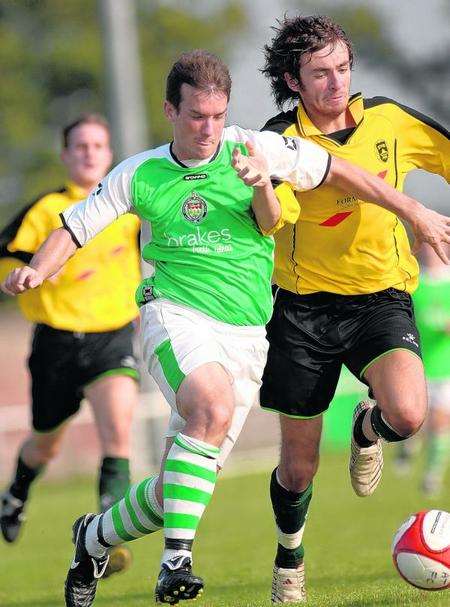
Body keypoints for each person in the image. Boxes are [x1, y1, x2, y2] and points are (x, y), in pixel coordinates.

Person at [1, 50, 449, 607]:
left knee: (176, 488)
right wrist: (37, 271)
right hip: (175, 314)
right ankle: (176, 562)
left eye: (217, 115)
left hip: (246, 335)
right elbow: (76, 225)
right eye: (196, 116)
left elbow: (338, 176)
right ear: (170, 109)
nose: (209, 128)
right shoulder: (139, 173)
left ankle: (92, 538)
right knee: (208, 408)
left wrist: (411, 210)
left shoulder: (256, 149)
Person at [259, 15, 450, 603]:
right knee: (299, 469)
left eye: (342, 68)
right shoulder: (277, 139)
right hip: (301, 311)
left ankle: (369, 427)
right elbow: (273, 218)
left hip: (381, 301)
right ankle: (290, 555)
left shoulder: (390, 119)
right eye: (319, 74)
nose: (335, 83)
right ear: (293, 81)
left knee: (410, 414)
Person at [0, 114, 141, 578]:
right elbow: (7, 259)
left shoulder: (128, 206)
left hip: (113, 335)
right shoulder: (45, 211)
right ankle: (17, 492)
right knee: (45, 443)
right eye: (80, 146)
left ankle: (110, 537)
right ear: (65, 155)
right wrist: (18, 276)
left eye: (98, 145)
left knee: (117, 431)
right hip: (57, 343)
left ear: (109, 154)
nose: (89, 153)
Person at [395, 244, 450, 497]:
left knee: (440, 422)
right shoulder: (415, 281)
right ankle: (406, 446)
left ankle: (432, 475)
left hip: (445, 366)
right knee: (412, 417)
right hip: (416, 361)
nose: (431, 251)